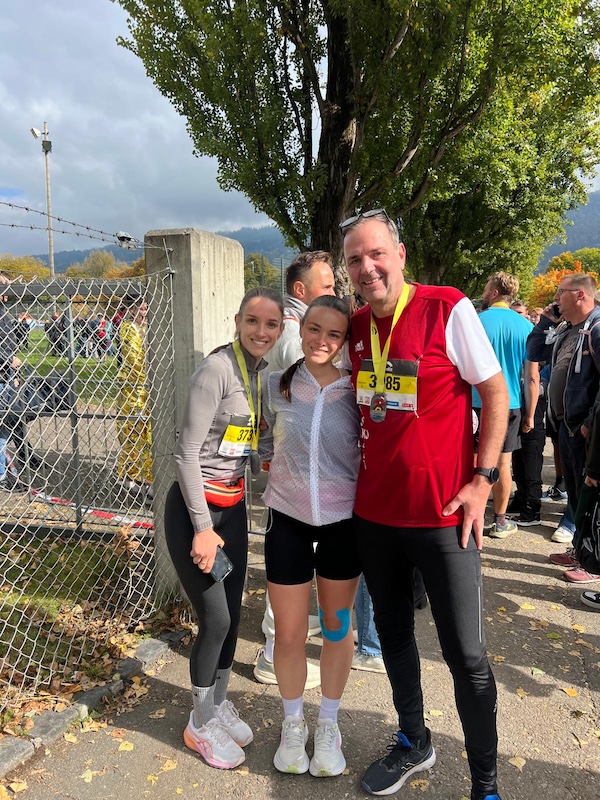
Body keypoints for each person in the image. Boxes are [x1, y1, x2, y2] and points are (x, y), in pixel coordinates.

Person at [342, 209, 507, 800]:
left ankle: (485, 784)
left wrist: (484, 480)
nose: (367, 267)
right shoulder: (357, 326)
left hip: (443, 517)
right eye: (356, 259)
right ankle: (414, 740)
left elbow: (494, 392)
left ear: (400, 254)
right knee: (392, 636)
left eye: (376, 253)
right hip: (376, 518)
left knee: (466, 654)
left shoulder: (446, 306)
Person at [164, 286, 284, 770]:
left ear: (279, 330)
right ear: (238, 322)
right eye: (253, 321)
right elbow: (185, 452)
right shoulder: (217, 369)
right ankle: (198, 724)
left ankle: (216, 704)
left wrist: (277, 464)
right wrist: (200, 528)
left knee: (233, 615)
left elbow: (261, 440)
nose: (261, 332)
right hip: (198, 515)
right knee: (213, 619)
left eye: (271, 325)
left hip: (233, 510)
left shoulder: (264, 375)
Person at [260, 295, 360, 777]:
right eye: (315, 329)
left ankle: (329, 724)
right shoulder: (276, 385)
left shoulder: (358, 391)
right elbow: (255, 440)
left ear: (345, 340)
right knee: (291, 633)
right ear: (300, 330)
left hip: (343, 525)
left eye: (334, 334)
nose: (322, 340)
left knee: (338, 630)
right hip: (288, 522)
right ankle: (293, 723)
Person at [254, 251, 336, 689]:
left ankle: (284, 642)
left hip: (308, 473)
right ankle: (273, 652)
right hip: (299, 475)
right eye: (326, 286)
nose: (335, 293)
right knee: (291, 571)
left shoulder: (298, 329)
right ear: (301, 291)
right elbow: (287, 408)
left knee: (299, 568)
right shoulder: (294, 336)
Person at [528, 274, 600, 583]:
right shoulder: (567, 329)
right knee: (574, 495)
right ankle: (580, 548)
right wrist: (544, 321)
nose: (555, 298)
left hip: (586, 433)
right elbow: (534, 353)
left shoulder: (596, 329)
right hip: (566, 429)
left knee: (589, 499)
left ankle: (592, 560)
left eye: (561, 293)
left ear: (580, 294)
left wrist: (588, 425)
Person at [473, 272, 533, 537]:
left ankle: (469, 514)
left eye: (487, 288)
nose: (485, 293)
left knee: (472, 460)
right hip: (511, 403)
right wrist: (530, 415)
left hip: (476, 401)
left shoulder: (477, 322)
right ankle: (500, 521)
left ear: (494, 292)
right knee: (503, 462)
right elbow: (531, 375)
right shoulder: (526, 327)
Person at [116, 294, 153, 498]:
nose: (144, 312)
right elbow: (135, 358)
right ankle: (129, 477)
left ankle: (146, 477)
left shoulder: (149, 328)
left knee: (149, 434)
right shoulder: (128, 328)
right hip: (133, 388)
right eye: (141, 308)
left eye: (146, 308)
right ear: (132, 309)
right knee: (132, 432)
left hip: (148, 388)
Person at [0, 272, 26, 492]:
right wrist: (8, 359)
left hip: (7, 376)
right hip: (2, 374)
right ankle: (1, 476)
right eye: (4, 285)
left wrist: (14, 375)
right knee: (2, 428)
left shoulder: (3, 313)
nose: (7, 290)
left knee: (6, 425)